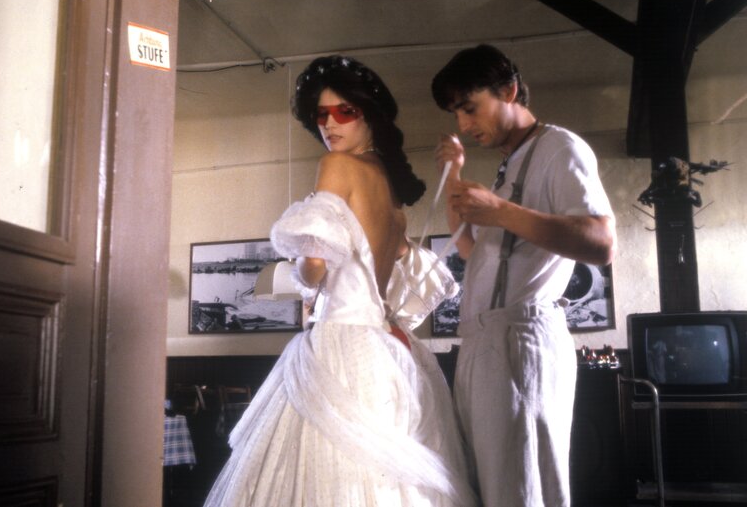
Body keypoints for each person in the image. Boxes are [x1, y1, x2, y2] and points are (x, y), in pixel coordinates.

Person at [203, 55, 477, 507]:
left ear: (368, 114)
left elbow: (314, 266)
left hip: (340, 343)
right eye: (321, 114)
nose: (329, 124)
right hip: (388, 349)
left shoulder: (336, 165)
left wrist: (300, 268)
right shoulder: (389, 188)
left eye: (344, 111)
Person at [431, 44, 616, 507]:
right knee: (490, 487)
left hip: (521, 338)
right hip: (485, 342)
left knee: (520, 490)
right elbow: (472, 252)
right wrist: (454, 175)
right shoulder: (511, 163)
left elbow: (602, 243)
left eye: (470, 108)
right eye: (457, 114)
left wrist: (502, 210)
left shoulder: (559, 147)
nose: (464, 124)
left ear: (509, 91)